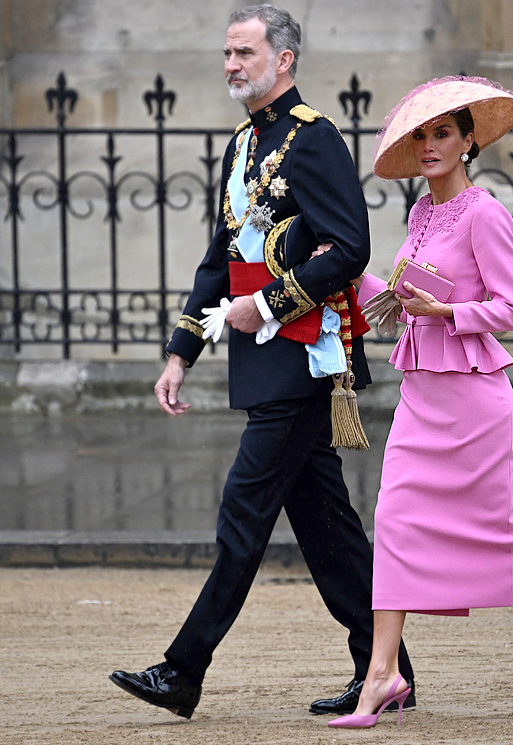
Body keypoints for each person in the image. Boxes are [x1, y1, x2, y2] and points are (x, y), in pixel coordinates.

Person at [109, 4, 414, 720]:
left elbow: (349, 248)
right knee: (329, 531)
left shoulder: (315, 140)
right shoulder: (242, 145)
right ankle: (388, 671)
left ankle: (183, 669)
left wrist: (271, 304)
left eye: (244, 52)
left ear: (284, 59)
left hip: (303, 356)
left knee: (242, 514)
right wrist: (181, 350)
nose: (230, 65)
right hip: (263, 356)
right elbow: (220, 260)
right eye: (226, 53)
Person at [325, 76, 513, 729]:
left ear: (469, 140)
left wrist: (445, 308)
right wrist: (337, 267)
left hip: (473, 401)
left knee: (502, 525)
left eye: (442, 132)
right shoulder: (419, 214)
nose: (428, 144)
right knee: (392, 518)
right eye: (420, 134)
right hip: (421, 396)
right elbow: (397, 303)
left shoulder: (484, 211)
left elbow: (510, 309)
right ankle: (383, 671)